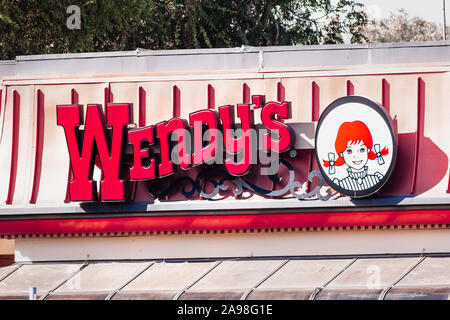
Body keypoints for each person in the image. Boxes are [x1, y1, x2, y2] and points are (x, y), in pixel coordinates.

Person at [323, 120, 389, 191]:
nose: (356, 156)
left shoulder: (377, 178)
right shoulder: (341, 184)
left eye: (362, 150)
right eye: (349, 151)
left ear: (368, 150)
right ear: (342, 154)